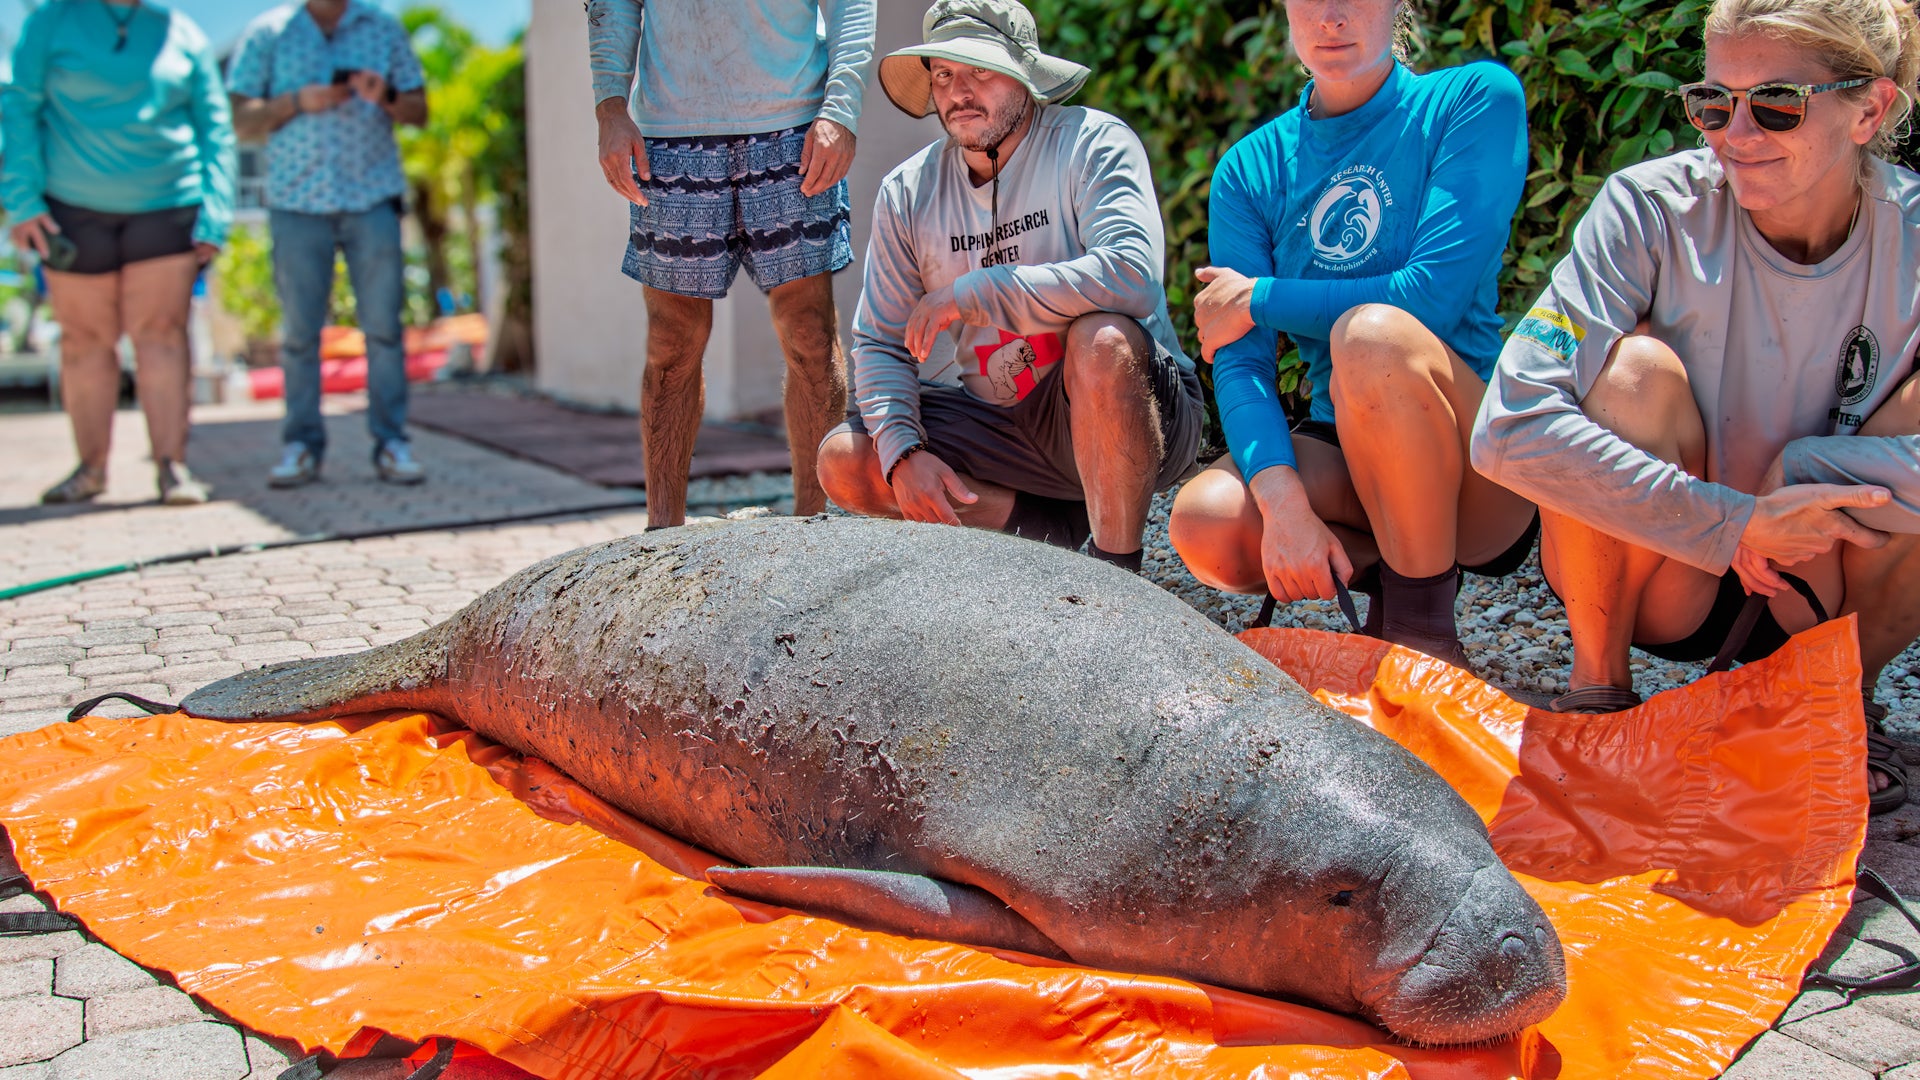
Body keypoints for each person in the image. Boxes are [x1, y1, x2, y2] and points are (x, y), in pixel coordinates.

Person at [1471, 0, 1920, 813]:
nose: (1734, 134)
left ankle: (1837, 697)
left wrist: (1811, 471)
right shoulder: (1647, 208)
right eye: (1714, 102)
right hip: (1666, 574)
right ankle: (1599, 689)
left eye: (1777, 103)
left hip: (1824, 579)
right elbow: (1508, 426)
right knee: (1632, 373)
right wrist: (1734, 523)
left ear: (1870, 110)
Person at [1165, 0, 1534, 665]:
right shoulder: (1250, 169)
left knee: (1373, 338)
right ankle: (1394, 576)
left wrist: (1258, 298)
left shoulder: (1473, 99)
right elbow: (1241, 361)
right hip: (1345, 454)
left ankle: (1423, 636)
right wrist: (1284, 507)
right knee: (1205, 524)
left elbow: (1430, 299)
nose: (1330, 17)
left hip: (1475, 468)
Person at [816, 0, 1203, 570]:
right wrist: (904, 453)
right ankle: (1046, 526)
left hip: (1130, 405)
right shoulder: (908, 191)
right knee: (848, 461)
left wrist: (974, 293)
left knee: (1102, 339)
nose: (959, 92)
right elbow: (880, 342)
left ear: (1023, 73)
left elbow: (1131, 275)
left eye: (980, 69)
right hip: (1000, 422)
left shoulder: (1092, 142)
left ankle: (1117, 573)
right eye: (943, 74)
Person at [587, 0, 873, 528]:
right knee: (672, 340)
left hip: (793, 126)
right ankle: (661, 534)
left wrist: (842, 108)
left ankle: (817, 530)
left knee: (809, 332)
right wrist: (610, 108)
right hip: (669, 133)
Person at [2, 0, 235, 507]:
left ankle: (172, 467)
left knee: (162, 334)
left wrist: (216, 212)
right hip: (71, 208)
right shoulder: (51, 21)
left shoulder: (182, 33)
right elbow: (18, 107)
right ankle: (90, 470)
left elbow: (216, 129)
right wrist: (21, 199)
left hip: (168, 202)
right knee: (84, 341)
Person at [227, 0, 429, 488]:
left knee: (384, 329)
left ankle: (392, 443)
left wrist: (384, 95)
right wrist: (296, 102)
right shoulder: (268, 32)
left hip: (372, 197)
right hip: (295, 202)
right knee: (299, 335)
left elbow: (420, 112)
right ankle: (301, 445)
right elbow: (239, 119)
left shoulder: (383, 28)